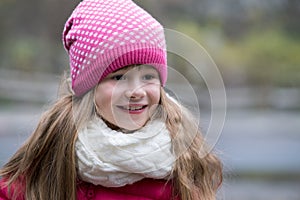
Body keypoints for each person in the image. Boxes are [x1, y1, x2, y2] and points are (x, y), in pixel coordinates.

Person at [0, 0, 222, 199]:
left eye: (148, 76)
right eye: (118, 77)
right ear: (89, 88)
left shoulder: (181, 162)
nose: (136, 91)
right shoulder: (53, 156)